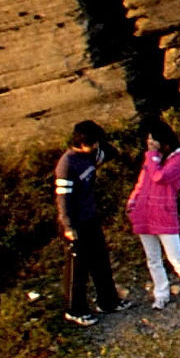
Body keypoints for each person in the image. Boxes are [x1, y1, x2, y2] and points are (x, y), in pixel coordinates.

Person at [126, 120, 180, 313]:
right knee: (153, 259)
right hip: (144, 213)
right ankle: (161, 294)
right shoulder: (152, 158)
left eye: (153, 139)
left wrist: (152, 156)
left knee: (176, 258)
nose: (149, 143)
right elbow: (142, 181)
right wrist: (132, 202)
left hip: (163, 215)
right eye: (148, 139)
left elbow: (159, 177)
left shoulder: (177, 159)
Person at [55, 120, 122, 325]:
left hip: (90, 217)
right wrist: (68, 227)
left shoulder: (91, 155)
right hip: (74, 223)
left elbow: (112, 153)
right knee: (78, 267)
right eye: (94, 143)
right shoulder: (67, 164)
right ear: (83, 143)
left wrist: (101, 145)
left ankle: (108, 301)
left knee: (100, 261)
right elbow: (63, 199)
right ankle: (74, 310)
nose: (96, 147)